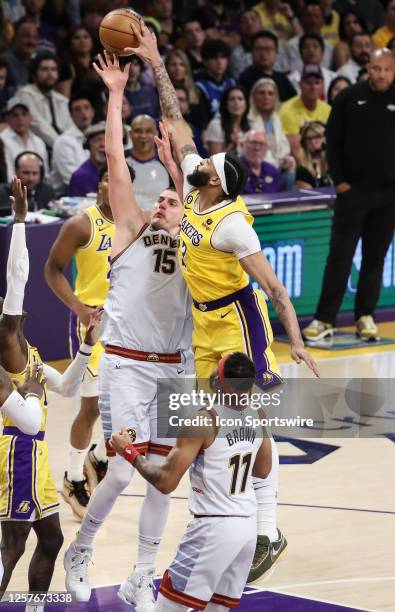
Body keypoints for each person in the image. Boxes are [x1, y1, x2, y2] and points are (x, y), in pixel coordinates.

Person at [125, 20, 319, 584]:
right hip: (205, 324)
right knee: (219, 421)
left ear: (217, 181)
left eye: (209, 161)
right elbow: (177, 120)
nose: (200, 158)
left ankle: (266, 527)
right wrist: (157, 60)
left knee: (252, 420)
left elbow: (275, 289)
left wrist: (298, 341)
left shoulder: (234, 225)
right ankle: (231, 513)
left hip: (239, 322)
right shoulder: (195, 181)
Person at [64, 52, 192, 608]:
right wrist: (116, 92)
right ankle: (82, 548)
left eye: (172, 198)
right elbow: (115, 157)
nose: (163, 201)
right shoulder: (132, 227)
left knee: (164, 473)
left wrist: (179, 165)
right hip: (127, 362)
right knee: (118, 472)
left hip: (176, 368)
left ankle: (143, 572)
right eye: (159, 196)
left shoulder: (195, 239)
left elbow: (196, 186)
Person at [0, 176, 101, 610]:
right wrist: (21, 222)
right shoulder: (7, 340)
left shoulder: (29, 352)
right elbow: (18, 276)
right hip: (18, 449)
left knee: (53, 538)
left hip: (36, 453)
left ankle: (37, 607)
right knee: (13, 545)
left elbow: (66, 387)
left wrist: (85, 347)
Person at [110, 351, 272, 612]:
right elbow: (263, 470)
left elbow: (165, 482)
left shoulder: (204, 420)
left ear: (219, 382)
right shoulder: (258, 414)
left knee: (166, 608)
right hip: (246, 532)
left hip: (212, 528)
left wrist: (129, 452)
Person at [45, 164, 135, 519]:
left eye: (120, 179)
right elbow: (52, 269)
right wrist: (79, 308)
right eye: (108, 177)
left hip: (129, 325)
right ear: (99, 185)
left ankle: (98, 457)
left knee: (139, 401)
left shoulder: (137, 221)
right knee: (91, 407)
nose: (113, 185)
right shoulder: (82, 224)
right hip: (92, 324)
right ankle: (71, 479)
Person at [303, 49, 395, 341]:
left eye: (386, 69)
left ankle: (366, 316)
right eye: (375, 68)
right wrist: (341, 182)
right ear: (368, 68)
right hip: (353, 194)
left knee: (375, 257)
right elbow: (333, 143)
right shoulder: (349, 97)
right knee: (339, 256)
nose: (381, 74)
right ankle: (324, 319)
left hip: (389, 195)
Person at [18, 51, 73, 149]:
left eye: (53, 69)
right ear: (34, 75)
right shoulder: (25, 94)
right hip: (38, 147)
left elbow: (70, 127)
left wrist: (74, 146)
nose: (50, 73)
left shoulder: (60, 99)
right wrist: (63, 147)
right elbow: (37, 125)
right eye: (44, 69)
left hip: (63, 147)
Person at [279, 64, 331, 162]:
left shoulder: (328, 110)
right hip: (300, 165)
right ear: (300, 84)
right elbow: (295, 150)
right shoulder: (287, 110)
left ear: (323, 85)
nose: (313, 87)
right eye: (308, 83)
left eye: (317, 83)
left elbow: (333, 144)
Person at [50, 94, 95, 197]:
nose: (83, 112)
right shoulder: (63, 141)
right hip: (64, 196)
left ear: (93, 112)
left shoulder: (100, 137)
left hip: (94, 191)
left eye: (86, 108)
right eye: (77, 109)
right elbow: (71, 178)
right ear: (71, 115)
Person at [125, 114, 170, 209]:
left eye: (148, 131)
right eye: (138, 131)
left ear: (156, 134)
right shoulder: (119, 161)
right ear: (130, 134)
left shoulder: (168, 163)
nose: (143, 135)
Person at [275, 1, 334, 73]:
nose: (313, 21)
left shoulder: (329, 48)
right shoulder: (290, 46)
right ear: (301, 20)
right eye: (309, 16)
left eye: (317, 17)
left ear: (323, 21)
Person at [248, 78, 293, 170]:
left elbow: (284, 148)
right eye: (261, 93)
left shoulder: (277, 119)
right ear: (253, 97)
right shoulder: (247, 120)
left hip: (278, 167)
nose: (266, 97)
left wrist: (286, 160)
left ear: (276, 98)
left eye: (270, 93)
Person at [238, 30, 296, 101]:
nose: (263, 54)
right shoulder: (245, 79)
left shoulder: (282, 79)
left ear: (276, 53)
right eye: (259, 49)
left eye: (268, 49)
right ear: (252, 52)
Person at [0, 96, 48, 182]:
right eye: (15, 115)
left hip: (37, 190)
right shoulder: (2, 141)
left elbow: (44, 174)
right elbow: (8, 177)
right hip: (12, 190)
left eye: (24, 114)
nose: (20, 118)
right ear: (7, 118)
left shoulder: (39, 142)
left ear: (30, 118)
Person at [195, 39, 235, 122]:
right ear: (205, 62)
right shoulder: (200, 87)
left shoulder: (232, 83)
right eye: (214, 58)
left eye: (222, 57)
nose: (219, 62)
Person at [288, 34, 336, 100]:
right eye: (306, 47)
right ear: (300, 54)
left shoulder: (334, 77)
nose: (311, 50)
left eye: (315, 46)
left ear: (323, 53)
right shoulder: (291, 79)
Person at [206, 85, 250, 156]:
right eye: (232, 99)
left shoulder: (252, 125)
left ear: (246, 104)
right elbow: (214, 162)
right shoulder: (215, 125)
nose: (236, 102)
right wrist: (232, 146)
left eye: (240, 99)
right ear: (225, 104)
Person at [241, 129, 286, 194]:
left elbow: (281, 197)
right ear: (242, 145)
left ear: (267, 148)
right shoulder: (234, 170)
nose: (257, 148)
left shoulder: (272, 171)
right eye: (253, 143)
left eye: (262, 144)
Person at [68, 121, 106, 197]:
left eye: (107, 140)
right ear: (88, 146)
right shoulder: (80, 177)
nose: (103, 144)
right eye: (97, 140)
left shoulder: (123, 172)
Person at [0, 20, 38, 88]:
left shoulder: (36, 62)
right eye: (27, 36)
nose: (31, 41)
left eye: (35, 38)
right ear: (16, 38)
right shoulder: (4, 61)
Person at [296, 121, 332, 189]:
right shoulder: (303, 170)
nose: (313, 142)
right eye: (309, 139)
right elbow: (308, 197)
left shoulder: (336, 163)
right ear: (304, 143)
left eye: (317, 137)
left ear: (326, 138)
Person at [229, 9, 263, 81]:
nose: (249, 23)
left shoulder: (272, 45)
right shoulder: (236, 54)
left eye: (253, 19)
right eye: (244, 21)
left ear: (261, 23)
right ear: (239, 27)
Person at [124, 56, 161, 120]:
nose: (132, 69)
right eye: (127, 65)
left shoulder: (150, 90)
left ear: (140, 68)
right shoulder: (118, 94)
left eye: (136, 64)